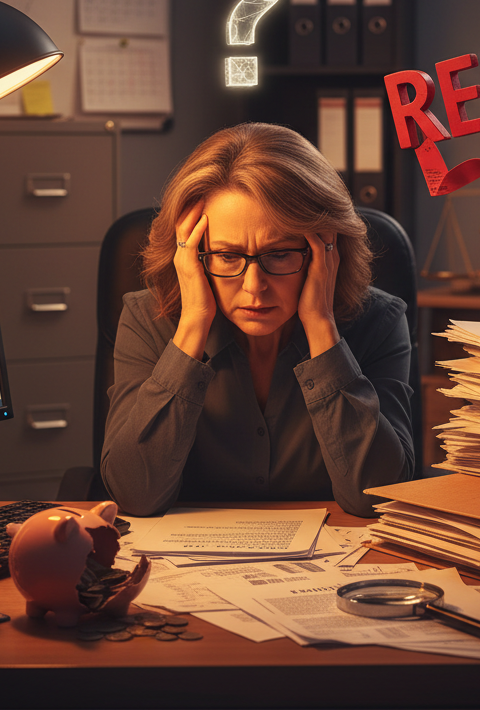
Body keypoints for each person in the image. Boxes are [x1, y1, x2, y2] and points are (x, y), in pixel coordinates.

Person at [100, 122, 414, 517]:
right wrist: (194, 323)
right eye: (228, 257)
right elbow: (135, 496)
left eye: (279, 254)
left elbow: (376, 499)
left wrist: (320, 324)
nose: (254, 287)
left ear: (326, 251)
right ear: (192, 254)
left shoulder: (379, 322)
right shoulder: (148, 319)